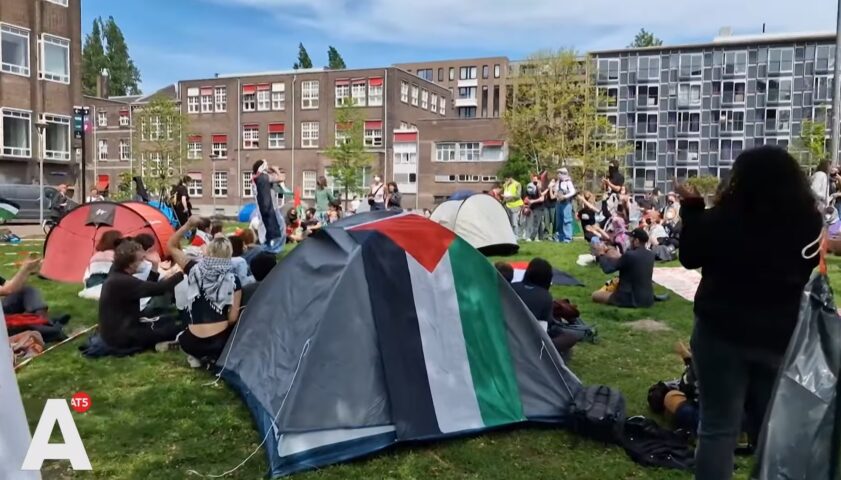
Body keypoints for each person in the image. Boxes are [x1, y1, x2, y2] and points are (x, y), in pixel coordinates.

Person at [676, 146, 822, 480]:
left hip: (719, 331)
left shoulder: (722, 219)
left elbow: (689, 255)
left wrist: (693, 207)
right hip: (778, 335)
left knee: (716, 429)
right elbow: (807, 265)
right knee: (773, 428)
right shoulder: (808, 223)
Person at [168, 216, 243, 366]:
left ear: (208, 251)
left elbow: (171, 245)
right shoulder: (233, 280)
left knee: (186, 334)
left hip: (191, 342)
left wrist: (188, 225)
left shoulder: (193, 269)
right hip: (218, 342)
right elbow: (233, 318)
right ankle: (211, 358)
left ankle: (196, 356)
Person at [97, 240, 185, 351]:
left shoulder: (116, 273)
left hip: (119, 329)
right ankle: (160, 345)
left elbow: (147, 288)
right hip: (122, 337)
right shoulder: (122, 281)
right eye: (141, 259)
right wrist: (182, 272)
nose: (144, 262)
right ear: (130, 264)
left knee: (166, 320)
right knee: (175, 328)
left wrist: (154, 266)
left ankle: (159, 343)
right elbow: (160, 289)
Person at [592, 228, 655, 308]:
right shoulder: (651, 255)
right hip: (647, 299)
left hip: (628, 298)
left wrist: (601, 254)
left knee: (595, 295)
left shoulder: (629, 255)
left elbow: (607, 269)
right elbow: (624, 262)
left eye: (630, 238)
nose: (628, 240)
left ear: (636, 241)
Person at [252, 160, 285, 253]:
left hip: (264, 207)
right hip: (270, 208)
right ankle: (273, 248)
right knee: (275, 227)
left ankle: (268, 247)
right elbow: (281, 178)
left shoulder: (257, 177)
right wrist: (276, 170)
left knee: (270, 227)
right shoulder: (263, 177)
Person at [555, 168, 577, 243]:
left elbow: (573, 191)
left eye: (559, 173)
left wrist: (565, 196)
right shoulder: (558, 182)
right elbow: (556, 191)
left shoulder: (568, 182)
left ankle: (568, 238)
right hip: (559, 203)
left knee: (566, 220)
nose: (558, 175)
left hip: (566, 203)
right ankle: (560, 237)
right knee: (559, 221)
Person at [524, 174, 544, 241]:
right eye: (533, 179)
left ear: (539, 180)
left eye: (536, 180)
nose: (534, 181)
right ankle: (541, 238)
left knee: (536, 223)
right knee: (539, 223)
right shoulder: (531, 187)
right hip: (533, 207)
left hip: (539, 207)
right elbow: (528, 197)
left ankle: (531, 237)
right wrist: (527, 206)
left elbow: (542, 199)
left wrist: (533, 201)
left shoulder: (541, 188)